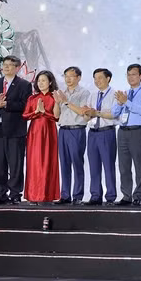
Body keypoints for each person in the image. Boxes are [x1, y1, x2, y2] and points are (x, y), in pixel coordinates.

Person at [0, 55, 32, 205]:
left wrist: (6, 104)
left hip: (15, 130)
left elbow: (25, 105)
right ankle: (0, 194)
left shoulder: (24, 85)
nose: (6, 67)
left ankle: (15, 194)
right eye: (5, 64)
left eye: (10, 65)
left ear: (17, 68)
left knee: (16, 163)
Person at [112, 64, 141, 206]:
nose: (131, 77)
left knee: (138, 165)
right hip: (122, 131)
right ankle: (126, 195)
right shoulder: (125, 93)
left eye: (134, 74)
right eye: (128, 74)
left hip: (137, 131)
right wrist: (119, 102)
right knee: (124, 166)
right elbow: (115, 113)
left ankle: (139, 195)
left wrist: (126, 102)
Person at [22, 70, 61, 204]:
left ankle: (47, 195)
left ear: (50, 82)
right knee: (34, 163)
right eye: (39, 81)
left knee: (48, 162)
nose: (41, 83)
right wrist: (36, 112)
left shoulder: (54, 97)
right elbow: (25, 115)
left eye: (44, 80)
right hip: (35, 132)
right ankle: (33, 194)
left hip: (49, 132)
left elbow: (56, 117)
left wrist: (45, 113)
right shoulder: (32, 98)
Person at [53, 66, 90, 205]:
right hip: (63, 130)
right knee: (64, 163)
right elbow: (56, 115)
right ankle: (65, 195)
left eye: (71, 76)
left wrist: (66, 101)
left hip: (77, 130)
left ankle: (78, 195)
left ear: (78, 77)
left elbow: (82, 112)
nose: (68, 79)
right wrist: (57, 102)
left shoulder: (84, 93)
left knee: (77, 162)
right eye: (65, 76)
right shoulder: (62, 93)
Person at [83, 68, 118, 205]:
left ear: (108, 78)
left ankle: (110, 196)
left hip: (106, 132)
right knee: (93, 166)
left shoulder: (115, 94)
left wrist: (96, 112)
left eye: (100, 78)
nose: (97, 81)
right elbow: (87, 117)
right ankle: (95, 195)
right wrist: (86, 113)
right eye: (95, 78)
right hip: (92, 132)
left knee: (108, 166)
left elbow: (114, 114)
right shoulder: (92, 95)